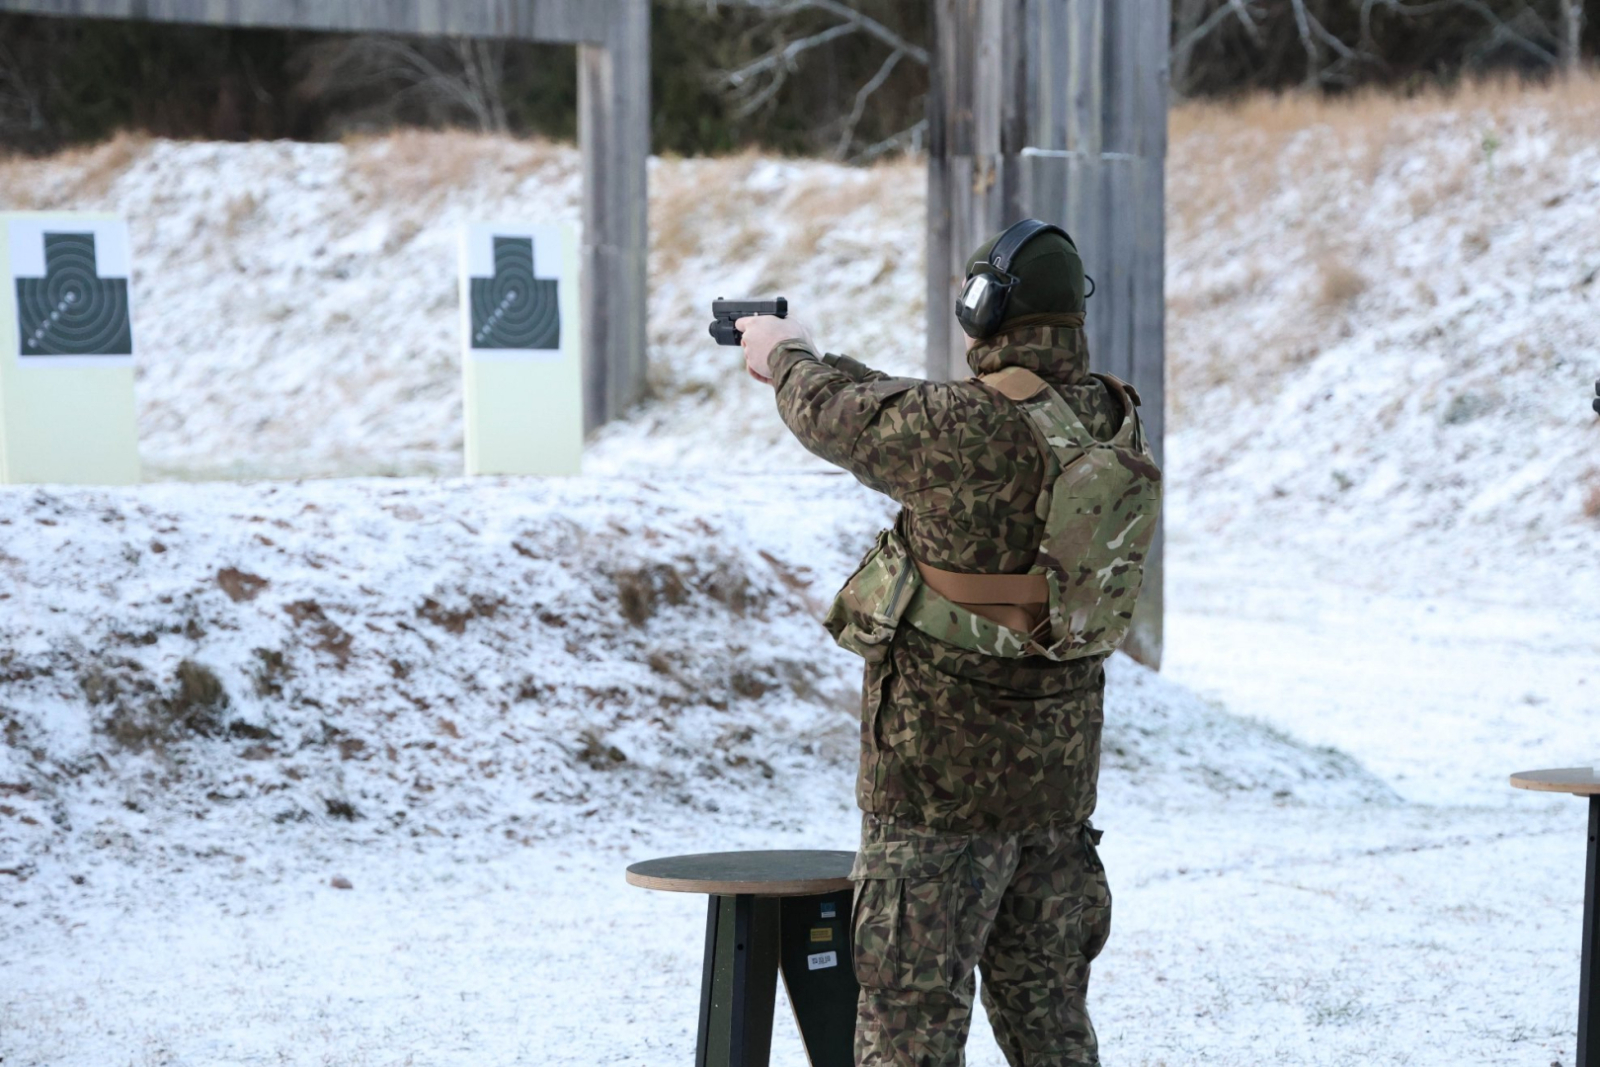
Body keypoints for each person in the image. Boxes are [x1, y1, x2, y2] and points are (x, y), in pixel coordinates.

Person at [735, 219, 1162, 1067]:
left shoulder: (954, 425)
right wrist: (820, 353)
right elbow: (914, 405)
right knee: (1050, 1021)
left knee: (910, 1029)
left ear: (985, 308)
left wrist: (783, 354)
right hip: (1056, 792)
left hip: (937, 792)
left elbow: (833, 415)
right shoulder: (1111, 416)